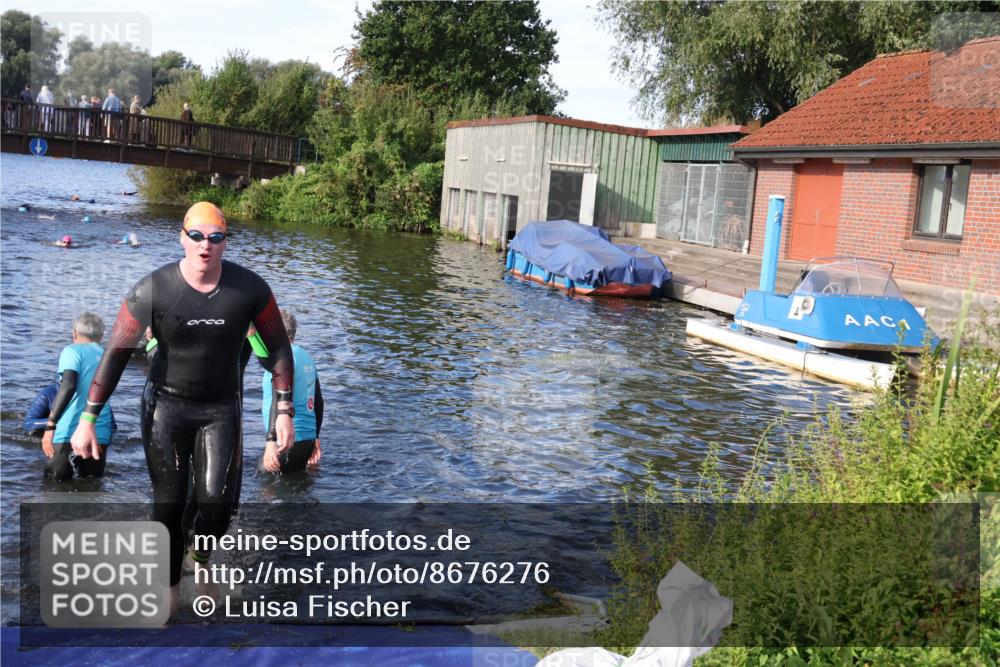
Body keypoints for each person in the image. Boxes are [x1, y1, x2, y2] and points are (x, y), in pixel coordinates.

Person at [69, 201, 295, 616]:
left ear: (226, 242)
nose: (205, 245)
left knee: (217, 506)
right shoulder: (152, 289)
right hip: (164, 409)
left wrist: (284, 409)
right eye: (196, 236)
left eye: (215, 237)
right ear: (182, 238)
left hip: (221, 409)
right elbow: (116, 353)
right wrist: (88, 419)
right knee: (168, 506)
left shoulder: (251, 290)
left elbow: (279, 346)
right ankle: (169, 591)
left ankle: (202, 559)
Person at [43, 313, 116, 480]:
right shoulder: (108, 355)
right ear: (101, 335)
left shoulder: (71, 351)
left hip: (69, 431)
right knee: (91, 487)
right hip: (99, 432)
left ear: (74, 333)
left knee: (55, 486)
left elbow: (68, 386)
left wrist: (51, 424)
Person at [261, 310, 322, 473]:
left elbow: (277, 399)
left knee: (262, 487)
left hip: (285, 441)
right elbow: (319, 402)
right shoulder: (307, 357)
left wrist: (271, 442)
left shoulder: (280, 358)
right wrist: (315, 437)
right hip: (307, 441)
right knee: (298, 483)